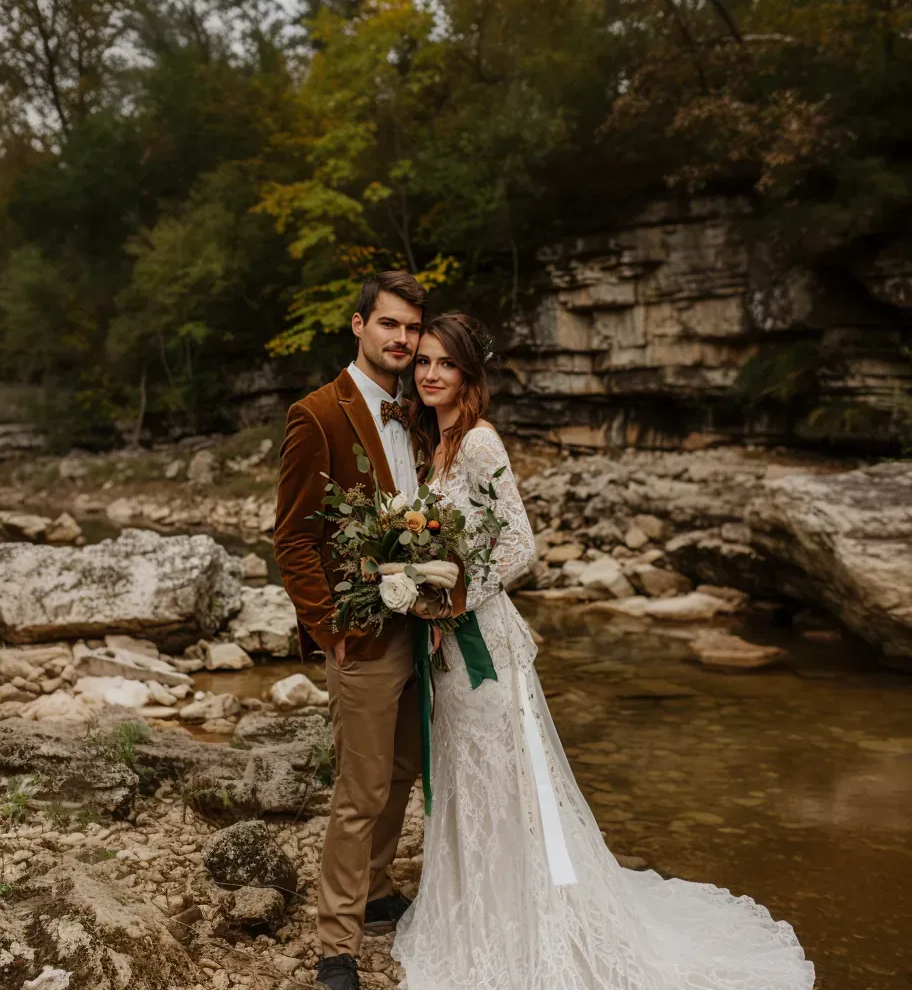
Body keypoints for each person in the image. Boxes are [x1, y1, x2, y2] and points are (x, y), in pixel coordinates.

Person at [391, 312, 816, 990]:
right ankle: (475, 911)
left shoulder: (478, 444)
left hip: (484, 649)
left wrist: (457, 599)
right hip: (443, 651)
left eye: (446, 363)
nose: (432, 374)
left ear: (470, 374)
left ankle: (535, 923)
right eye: (424, 363)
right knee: (469, 785)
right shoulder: (433, 449)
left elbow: (521, 546)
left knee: (509, 786)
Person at [273, 272, 462, 990]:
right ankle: (336, 946)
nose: (403, 340)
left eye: (412, 330)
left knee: (404, 771)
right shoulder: (316, 414)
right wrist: (328, 629)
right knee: (359, 789)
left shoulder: (417, 413)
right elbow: (292, 538)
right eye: (390, 325)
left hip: (424, 631)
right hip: (363, 632)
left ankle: (378, 891)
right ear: (358, 326)